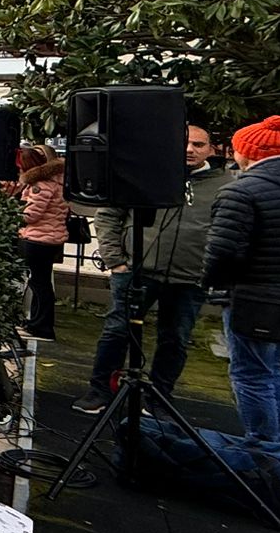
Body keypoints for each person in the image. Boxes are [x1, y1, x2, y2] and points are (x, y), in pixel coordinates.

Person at [74, 123, 231, 413]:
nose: (189, 149)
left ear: (211, 149)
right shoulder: (145, 174)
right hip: (136, 272)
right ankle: (100, 391)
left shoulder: (225, 185)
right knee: (117, 331)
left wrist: (212, 271)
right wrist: (115, 261)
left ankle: (159, 398)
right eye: (184, 143)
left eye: (198, 145)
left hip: (190, 279)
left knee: (175, 339)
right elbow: (109, 214)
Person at [203, 115, 280, 444]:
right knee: (271, 368)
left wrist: (210, 283)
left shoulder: (242, 191)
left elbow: (223, 251)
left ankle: (262, 445)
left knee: (250, 374)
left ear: (247, 152)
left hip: (254, 296)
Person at [14, 145, 67, 341]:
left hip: (39, 238)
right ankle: (36, 323)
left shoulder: (41, 184)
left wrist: (14, 213)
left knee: (39, 283)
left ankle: (41, 326)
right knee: (40, 282)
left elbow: (31, 214)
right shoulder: (57, 181)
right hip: (48, 237)